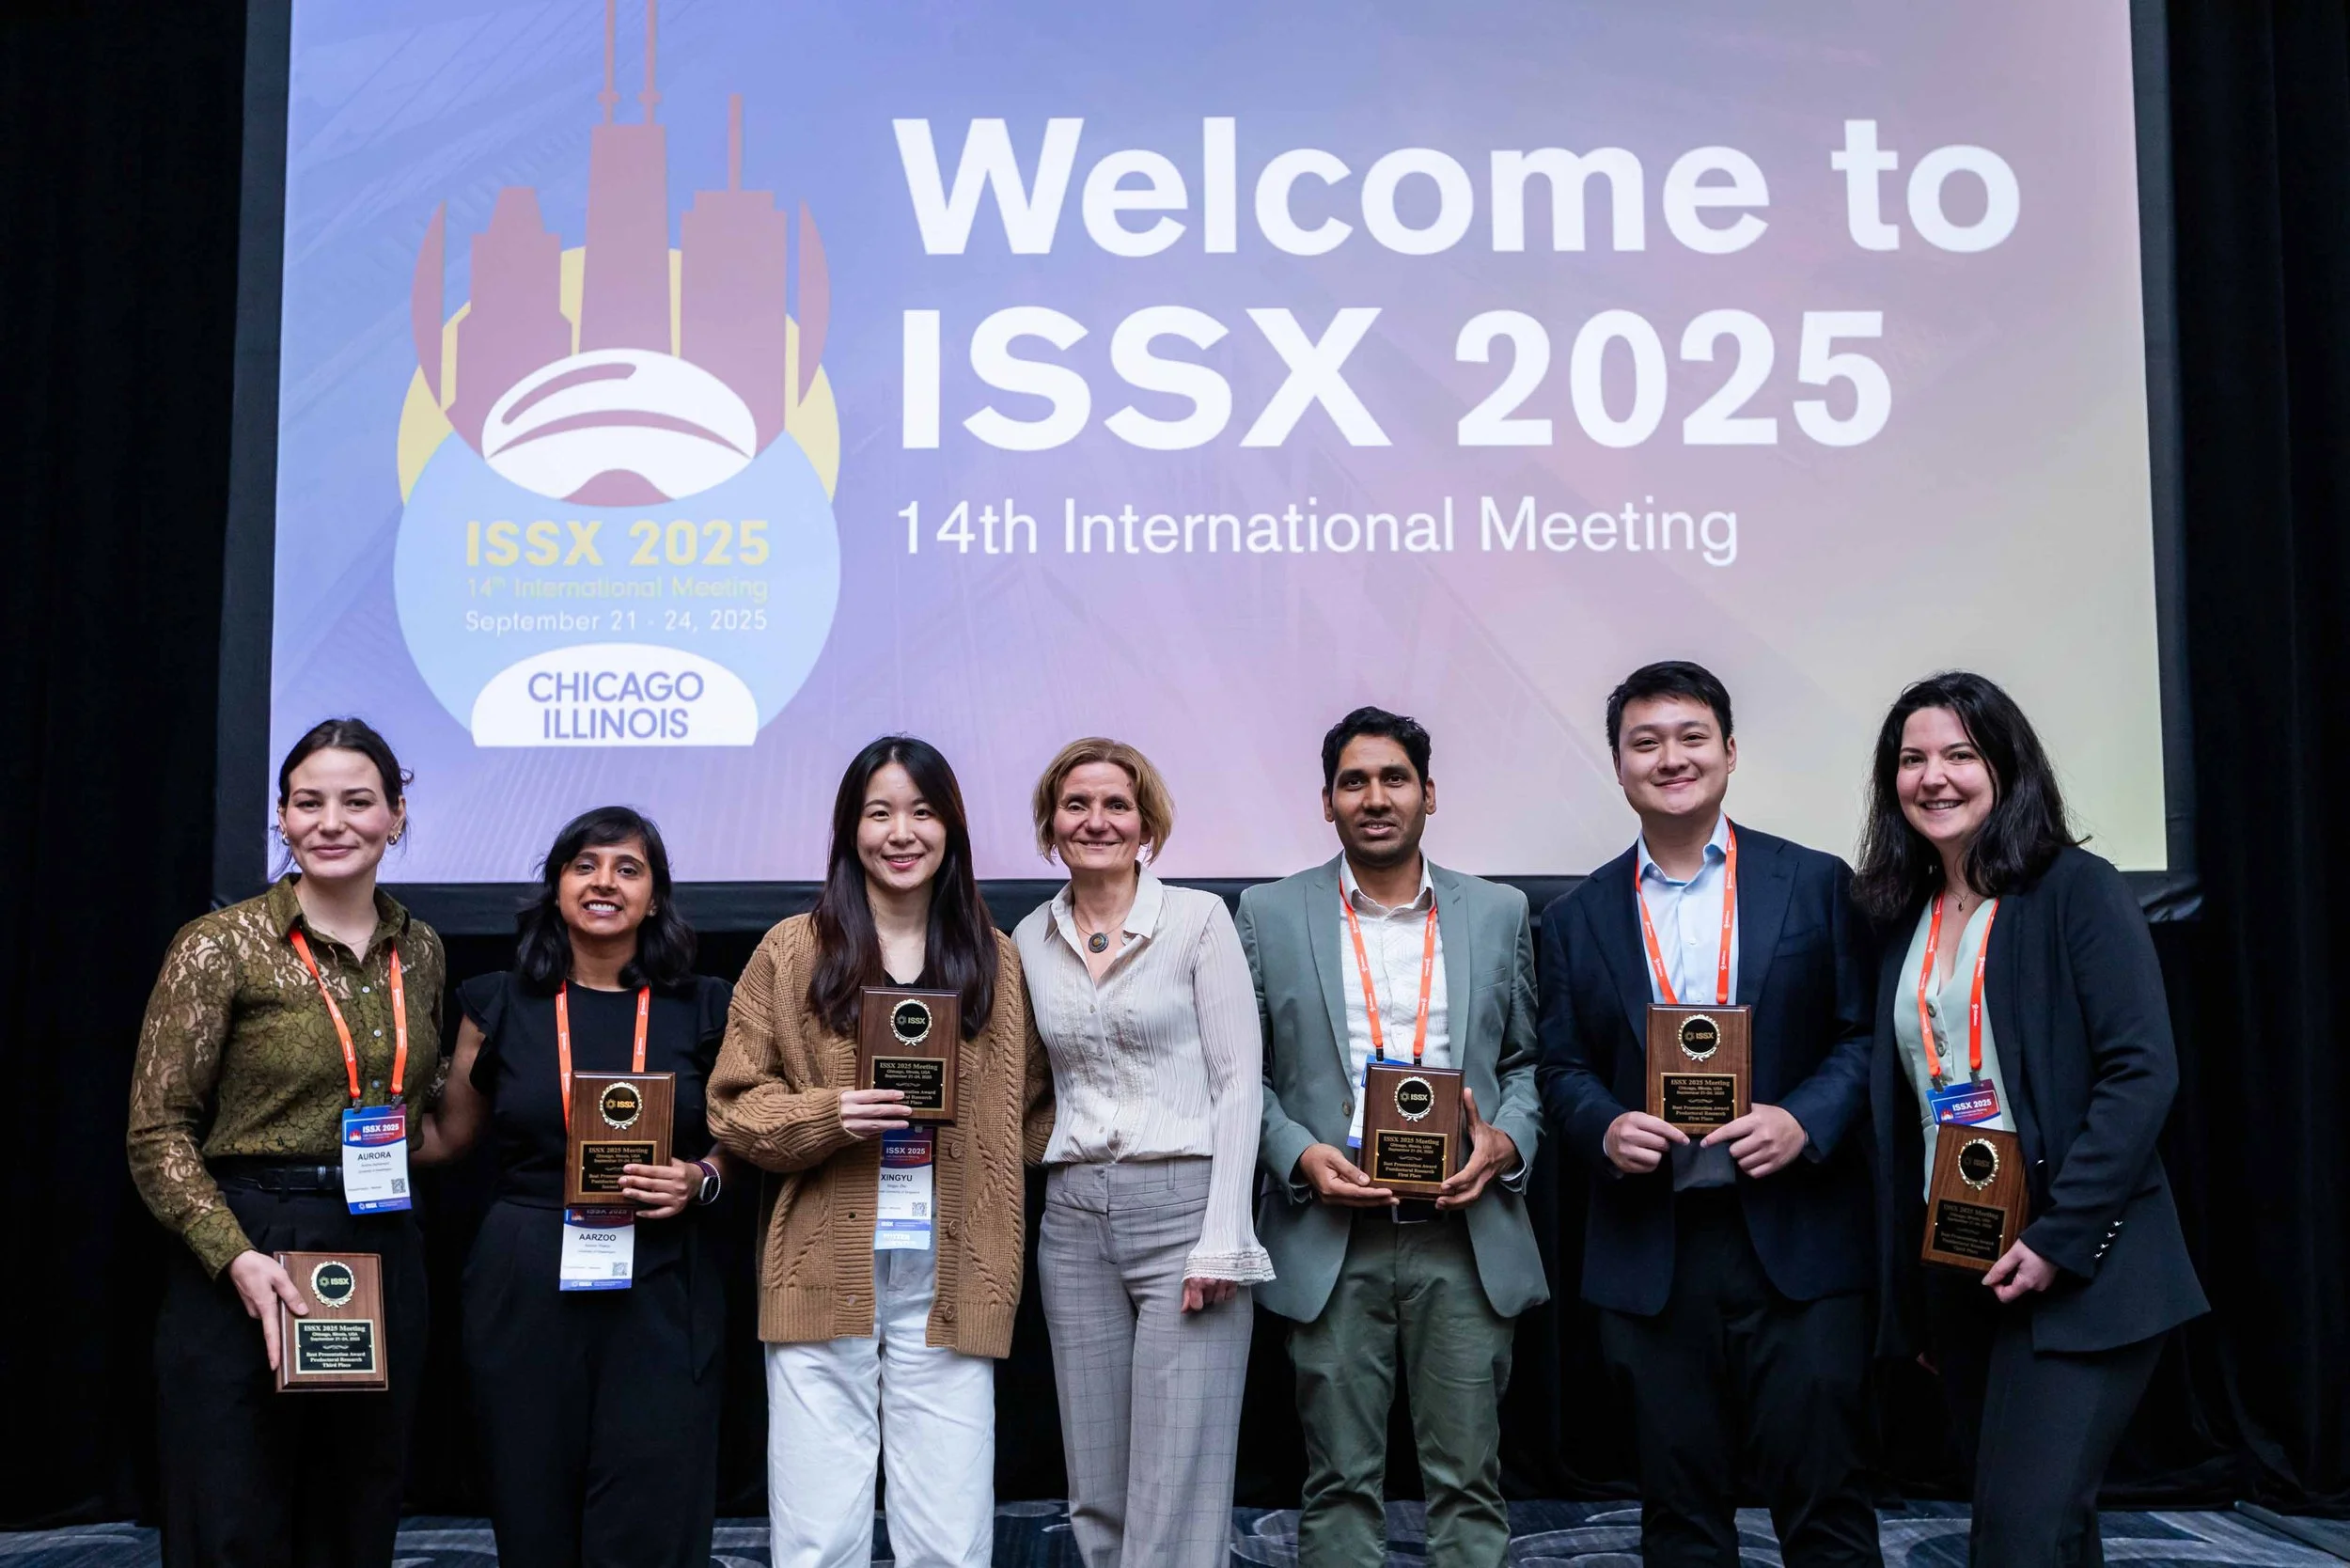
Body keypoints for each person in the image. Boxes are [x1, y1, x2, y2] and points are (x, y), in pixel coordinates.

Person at [1855, 671, 2206, 1566]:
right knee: (2052, 1536)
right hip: (1969, 1267)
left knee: (2015, 1541)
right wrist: (1925, 1297)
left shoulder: (2077, 891)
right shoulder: (1904, 916)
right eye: (1912, 760)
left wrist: (2058, 1237)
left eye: (1960, 755)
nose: (1934, 778)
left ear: (2007, 767)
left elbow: (2141, 1076)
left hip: (2087, 1267)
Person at [1536, 662, 1882, 1568]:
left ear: (1730, 752)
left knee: (1827, 1507)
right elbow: (1561, 1066)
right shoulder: (1575, 918)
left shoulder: (1814, 883)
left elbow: (1863, 1038)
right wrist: (1603, 1125)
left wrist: (1804, 1120)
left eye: (1691, 737)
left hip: (1796, 1240)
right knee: (1679, 1515)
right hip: (1653, 1245)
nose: (1670, 758)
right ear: (1618, 767)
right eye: (1644, 743)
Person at [708, 737, 1053, 1568]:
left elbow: (1033, 1107)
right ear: (849, 829)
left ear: (952, 828)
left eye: (923, 812)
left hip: (955, 1268)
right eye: (880, 813)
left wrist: (982, 1167)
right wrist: (833, 1115)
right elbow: (733, 1106)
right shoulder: (794, 951)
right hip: (824, 1263)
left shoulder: (996, 959)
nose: (902, 833)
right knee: (818, 1535)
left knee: (951, 1534)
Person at [127, 717, 446, 1568]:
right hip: (248, 1248)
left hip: (378, 1243)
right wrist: (231, 1255)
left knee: (355, 1516)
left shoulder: (421, 952)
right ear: (282, 817)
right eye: (309, 802)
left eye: (357, 801)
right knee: (233, 1520)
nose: (331, 822)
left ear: (397, 816)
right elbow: (157, 1131)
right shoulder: (218, 947)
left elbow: (416, 1105)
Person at [1240, 707, 1546, 1568]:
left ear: (1429, 794)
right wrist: (1299, 1153)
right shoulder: (1267, 914)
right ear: (1327, 802)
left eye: (1395, 778)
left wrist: (1507, 1144)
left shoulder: (1497, 912)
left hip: (1463, 1232)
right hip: (1331, 1234)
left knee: (1468, 1484)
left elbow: (1526, 1061)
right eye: (1354, 781)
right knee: (1337, 1484)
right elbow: (1244, 1075)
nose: (1376, 798)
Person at [413, 807, 732, 1568]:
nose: (604, 883)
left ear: (654, 897)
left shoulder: (706, 1004)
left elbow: (741, 1131)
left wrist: (704, 1177)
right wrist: (332, 1126)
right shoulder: (495, 1002)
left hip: (661, 1273)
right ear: (557, 885)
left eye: (629, 869)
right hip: (525, 1270)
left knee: (653, 1506)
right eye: (585, 865)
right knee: (532, 1507)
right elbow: (450, 1138)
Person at [1014, 737, 1274, 1568]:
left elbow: (1239, 1084)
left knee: (1179, 1476)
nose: (1097, 820)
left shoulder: (1199, 920)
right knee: (1098, 1481)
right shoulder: (1027, 936)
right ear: (1052, 826)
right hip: (1075, 1219)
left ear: (1146, 823)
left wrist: (1223, 1238)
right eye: (1077, 805)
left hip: (1185, 1211)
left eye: (1116, 804)